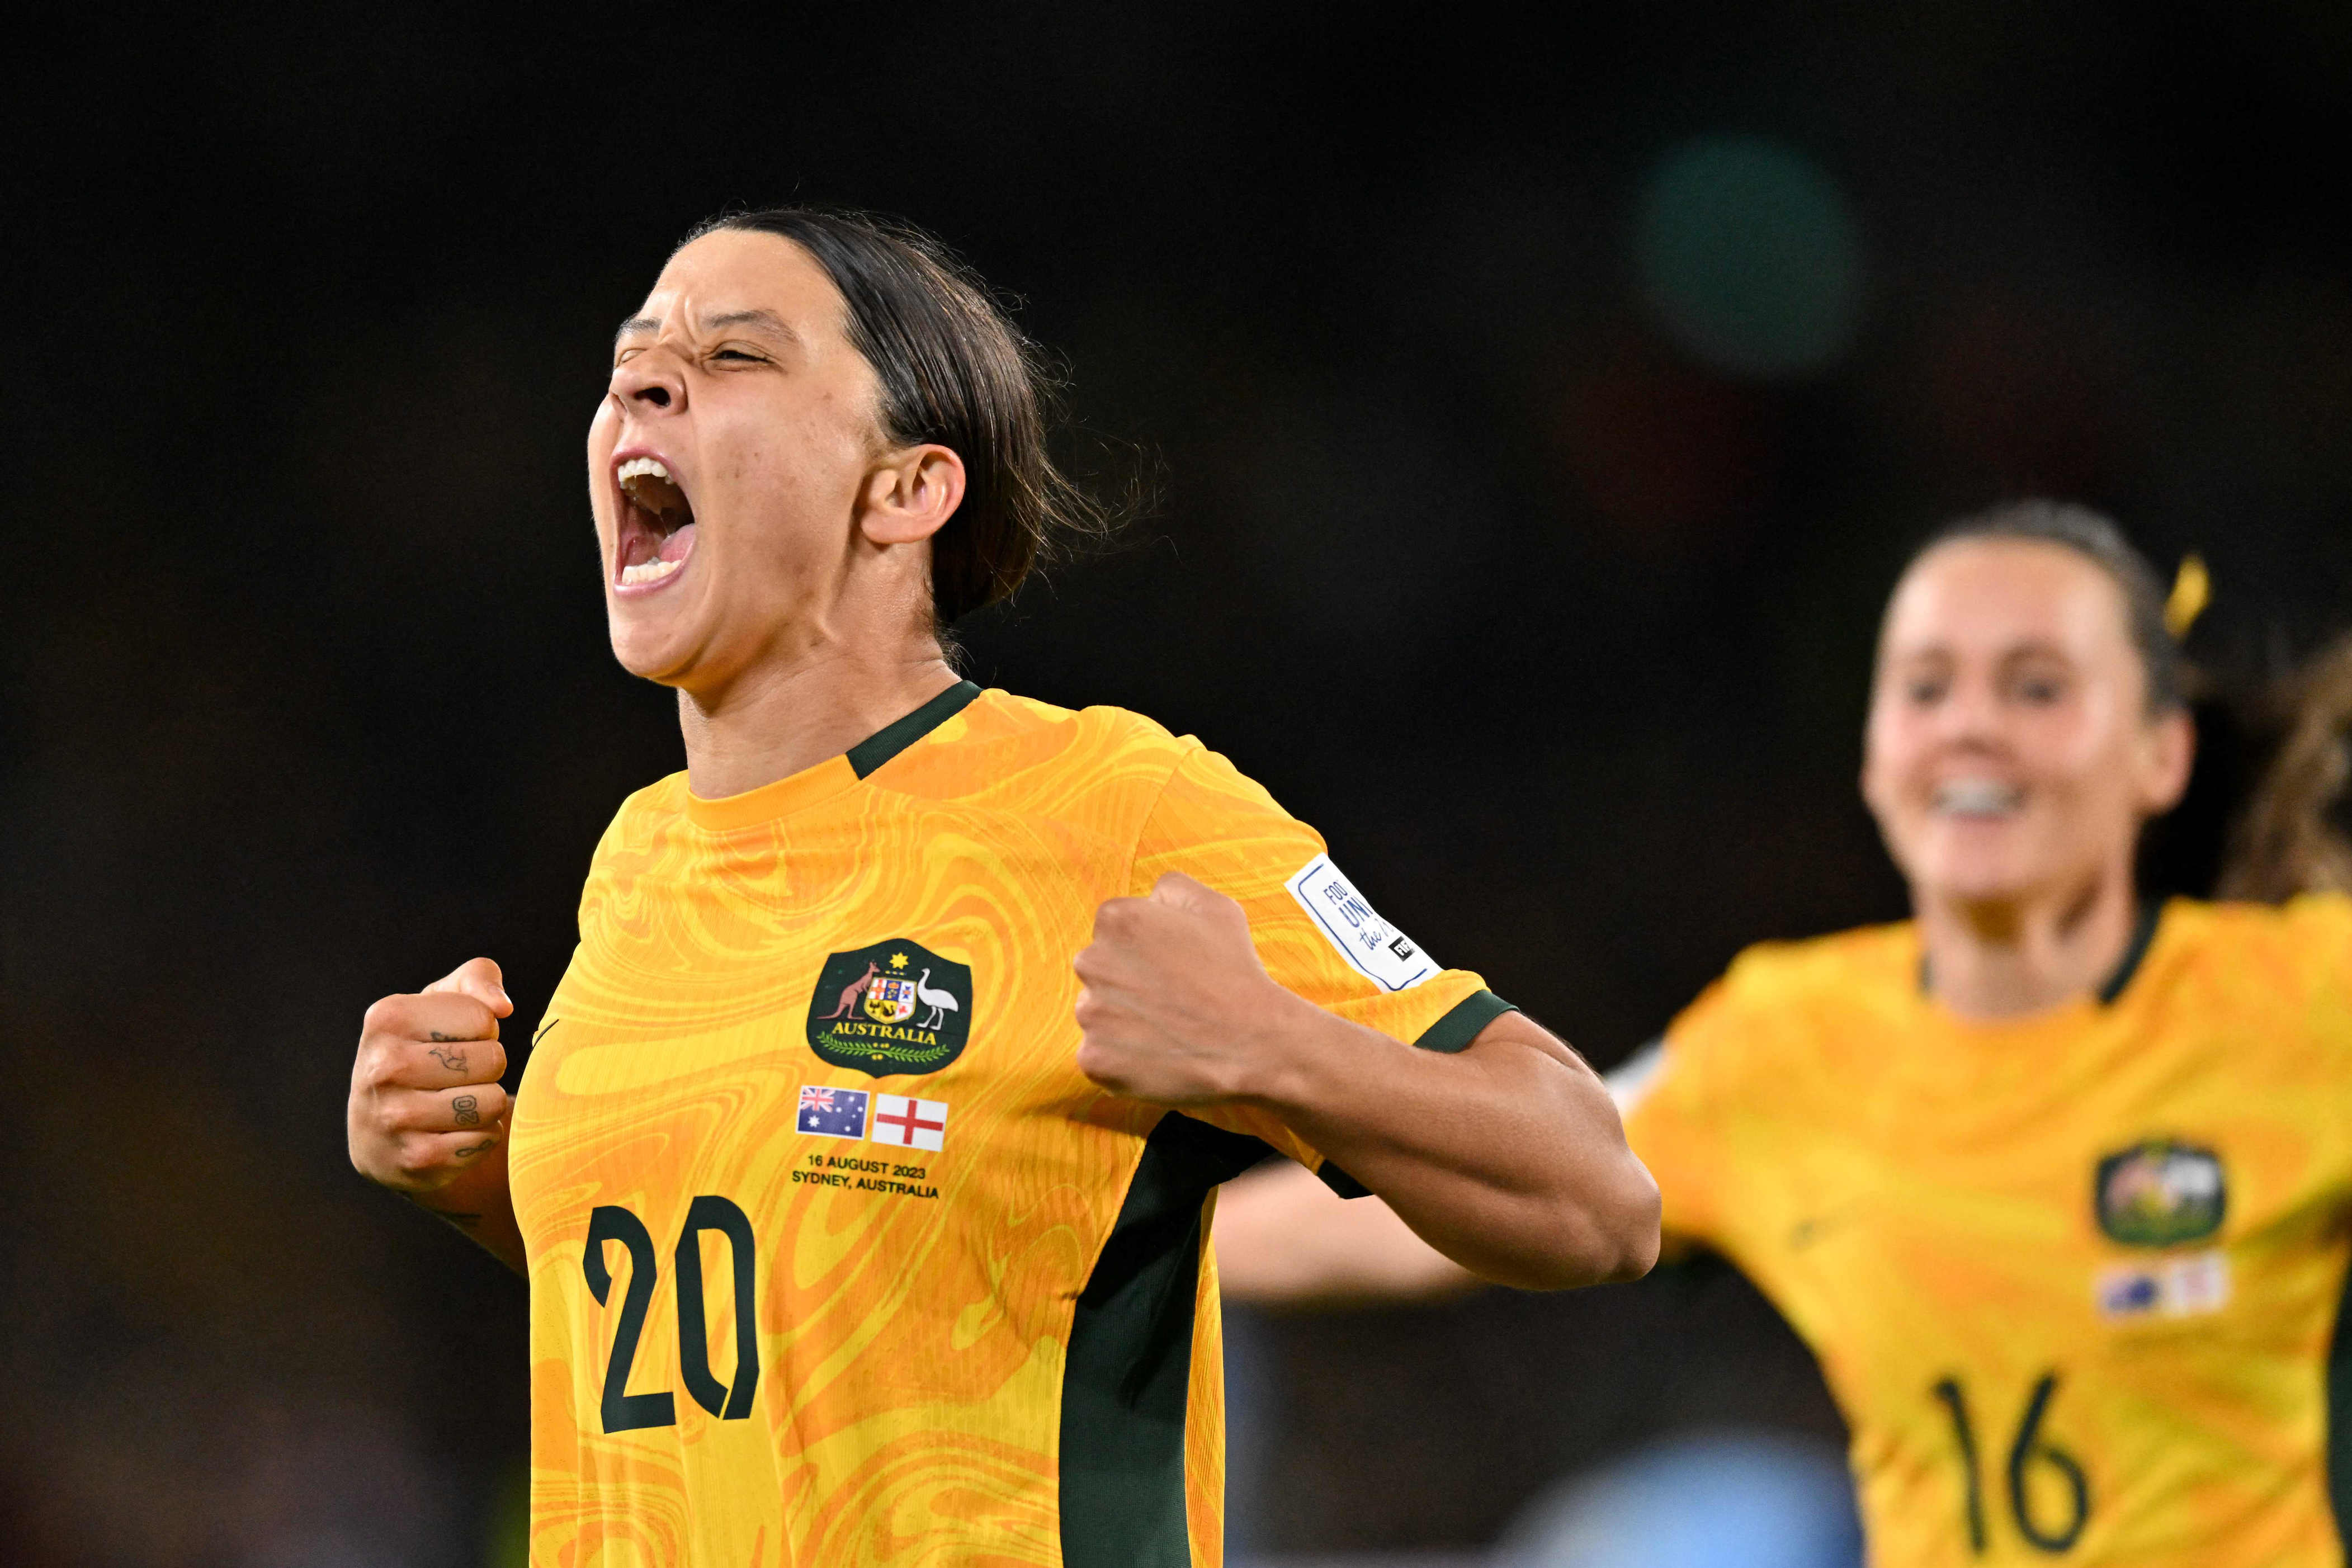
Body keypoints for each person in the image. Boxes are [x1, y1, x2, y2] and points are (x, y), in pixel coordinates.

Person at [341, 206, 1658, 1568]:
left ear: (904, 491)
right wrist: (472, 1175)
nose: (641, 379)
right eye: (635, 355)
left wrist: (1277, 1046)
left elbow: (1597, 1192)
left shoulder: (1114, 809)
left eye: (735, 355)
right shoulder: (638, 858)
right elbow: (742, 1317)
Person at [1218, 501, 2352, 1565]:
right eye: (1925, 688)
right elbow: (1473, 1189)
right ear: (1874, 755)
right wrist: (1138, 1225)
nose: (1969, 728)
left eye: (2037, 687)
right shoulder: (1791, 1039)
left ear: (2162, 754)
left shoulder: (2305, 1001)